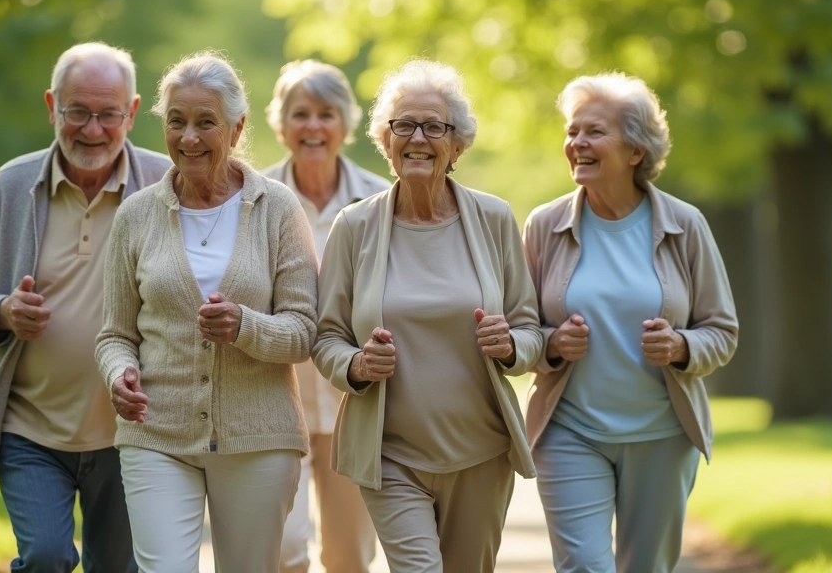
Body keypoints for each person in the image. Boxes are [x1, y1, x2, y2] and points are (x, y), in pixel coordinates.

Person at [0, 42, 170, 572]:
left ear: (132, 112)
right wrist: (2, 312)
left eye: (108, 114)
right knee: (45, 557)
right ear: (52, 106)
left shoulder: (164, 187)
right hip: (30, 430)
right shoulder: (11, 186)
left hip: (131, 431)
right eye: (77, 112)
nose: (93, 130)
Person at [313, 59, 543, 573]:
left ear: (457, 145)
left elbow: (530, 329)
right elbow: (326, 337)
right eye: (404, 125)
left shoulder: (494, 218)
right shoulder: (354, 226)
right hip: (390, 455)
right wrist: (356, 365)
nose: (417, 138)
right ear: (385, 140)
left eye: (434, 127)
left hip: (481, 452)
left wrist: (510, 346)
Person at [95, 50, 319, 572]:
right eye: (176, 121)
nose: (189, 137)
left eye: (205, 123)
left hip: (258, 437)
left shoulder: (278, 209)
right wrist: (118, 373)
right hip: (157, 432)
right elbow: (115, 335)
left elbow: (305, 331)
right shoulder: (136, 216)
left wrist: (245, 326)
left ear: (237, 128)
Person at [521, 72, 739, 573]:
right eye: (572, 131)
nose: (577, 143)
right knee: (583, 565)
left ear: (636, 151)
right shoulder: (544, 226)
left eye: (594, 132)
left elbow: (722, 331)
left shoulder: (685, 225)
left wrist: (681, 347)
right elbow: (521, 329)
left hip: (662, 434)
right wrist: (553, 342)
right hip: (570, 430)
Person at [260, 59, 386, 573]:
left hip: (352, 405)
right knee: (283, 552)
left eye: (326, 114)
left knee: (349, 556)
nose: (313, 126)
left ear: (346, 124)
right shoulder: (253, 198)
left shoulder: (380, 199)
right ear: (281, 124)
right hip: (271, 404)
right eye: (300, 113)